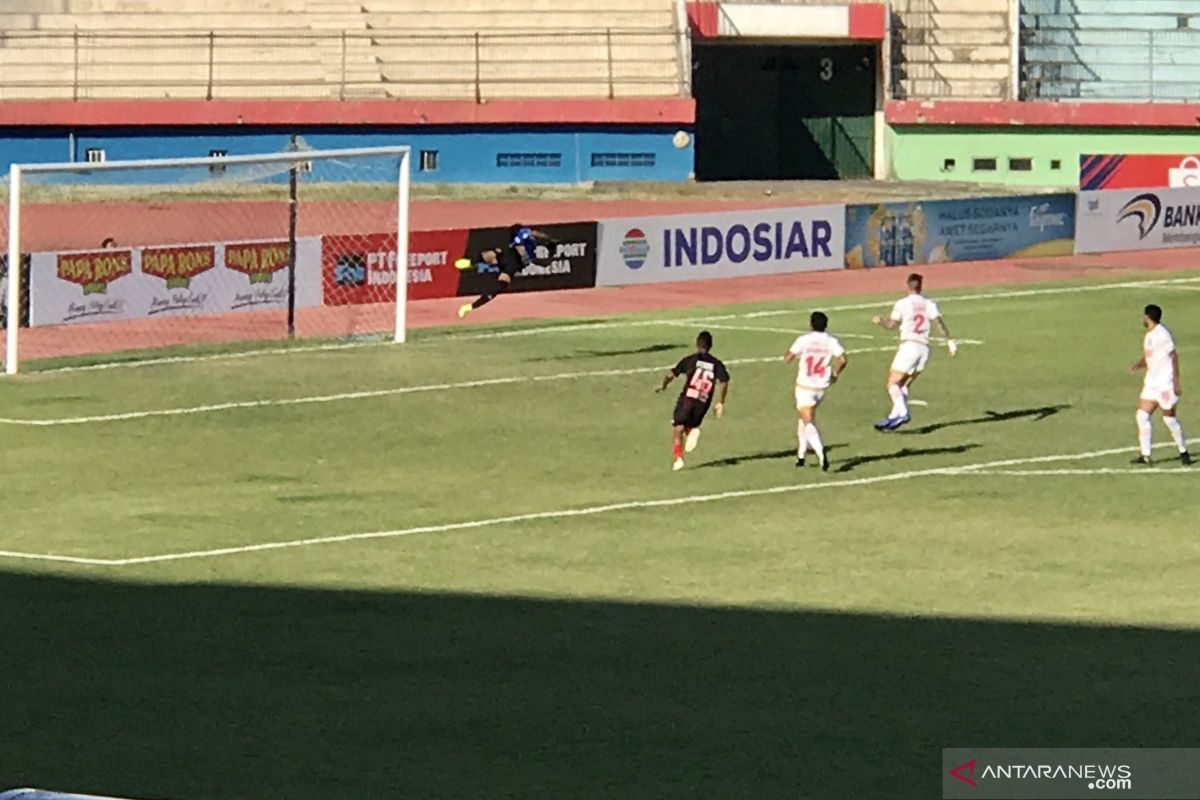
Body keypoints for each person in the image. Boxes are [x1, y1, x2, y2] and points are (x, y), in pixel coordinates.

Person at [871, 272, 957, 431]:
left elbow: (891, 325)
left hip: (909, 345)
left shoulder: (902, 303)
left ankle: (902, 413)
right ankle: (893, 418)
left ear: (908, 285)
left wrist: (880, 321)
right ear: (921, 286)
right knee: (904, 385)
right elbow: (938, 322)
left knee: (891, 383)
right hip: (924, 349)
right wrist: (950, 341)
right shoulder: (929, 303)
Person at [656, 331, 730, 472]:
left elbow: (671, 374)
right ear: (710, 346)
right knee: (687, 424)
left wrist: (663, 385)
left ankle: (678, 458)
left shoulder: (691, 360)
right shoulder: (716, 364)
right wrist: (720, 402)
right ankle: (690, 431)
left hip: (688, 399)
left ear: (697, 344)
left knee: (678, 428)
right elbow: (724, 381)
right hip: (703, 402)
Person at [783, 311, 847, 471]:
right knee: (803, 420)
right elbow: (843, 359)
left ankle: (820, 454)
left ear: (811, 324)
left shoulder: (804, 340)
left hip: (805, 386)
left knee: (808, 422)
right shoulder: (831, 340)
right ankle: (801, 456)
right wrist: (836, 373)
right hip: (821, 387)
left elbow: (787, 358)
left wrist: (791, 354)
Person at [1129, 303, 1190, 466]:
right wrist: (1137, 365)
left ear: (1148, 317)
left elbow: (1173, 356)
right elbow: (1150, 357)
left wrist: (1176, 381)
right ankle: (1146, 455)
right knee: (1141, 416)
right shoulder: (1149, 335)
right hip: (1151, 382)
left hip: (1165, 384)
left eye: (1144, 315)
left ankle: (1183, 451)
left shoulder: (1163, 334)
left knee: (1169, 419)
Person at [457, 225, 553, 319]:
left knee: (499, 286)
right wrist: (520, 246)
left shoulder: (534, 250)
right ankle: (470, 263)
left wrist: (546, 253)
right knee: (490, 255)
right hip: (507, 254)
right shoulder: (523, 232)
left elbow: (541, 262)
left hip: (514, 265)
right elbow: (515, 231)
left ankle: (469, 307)